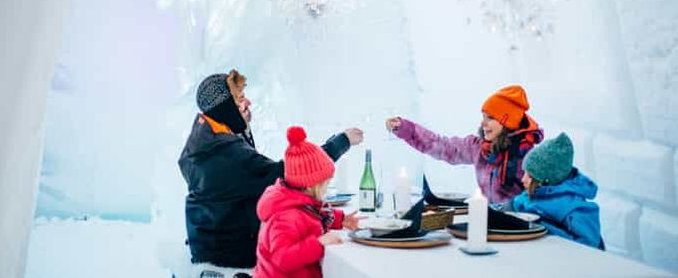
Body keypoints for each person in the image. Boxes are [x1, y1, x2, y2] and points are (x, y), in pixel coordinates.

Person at [179, 70, 363, 272]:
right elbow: (286, 173)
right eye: (240, 99)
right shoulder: (224, 153)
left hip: (211, 246)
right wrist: (341, 143)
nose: (248, 102)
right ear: (225, 109)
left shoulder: (205, 139)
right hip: (230, 256)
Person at [386, 85, 543, 203]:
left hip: (518, 226)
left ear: (506, 121)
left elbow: (538, 197)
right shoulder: (478, 148)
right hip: (488, 221)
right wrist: (405, 128)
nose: (483, 124)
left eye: (490, 118)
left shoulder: (528, 156)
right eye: (483, 117)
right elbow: (441, 145)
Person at [254, 126, 361, 278]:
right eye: (325, 183)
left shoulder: (299, 204)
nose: (326, 188)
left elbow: (314, 214)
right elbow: (283, 259)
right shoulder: (286, 217)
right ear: (312, 185)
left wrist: (341, 219)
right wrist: (319, 243)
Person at [510, 132, 604, 249]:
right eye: (524, 173)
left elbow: (589, 247)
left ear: (545, 180)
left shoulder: (575, 210)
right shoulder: (530, 195)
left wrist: (541, 228)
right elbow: (510, 208)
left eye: (530, 176)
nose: (522, 179)